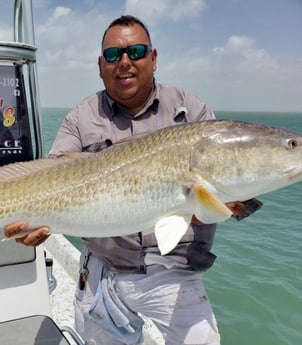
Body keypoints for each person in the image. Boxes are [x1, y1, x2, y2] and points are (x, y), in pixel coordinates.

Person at [4, 15, 247, 345]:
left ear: (154, 58)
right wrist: (32, 228)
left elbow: (235, 195)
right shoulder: (82, 116)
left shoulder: (190, 110)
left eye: (136, 51)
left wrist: (238, 202)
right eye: (114, 55)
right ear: (101, 65)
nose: (125, 62)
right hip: (104, 268)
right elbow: (52, 174)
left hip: (176, 272)